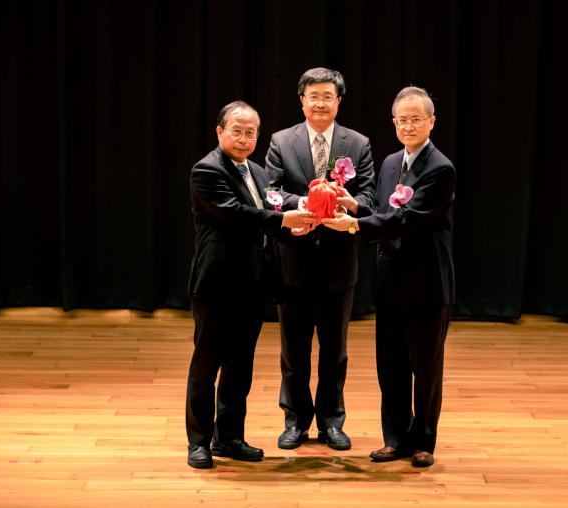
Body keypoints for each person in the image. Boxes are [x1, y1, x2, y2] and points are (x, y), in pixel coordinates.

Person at [321, 86, 455, 467]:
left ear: (431, 122)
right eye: (402, 120)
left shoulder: (440, 168)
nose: (408, 126)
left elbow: (408, 219)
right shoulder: (392, 162)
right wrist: (354, 206)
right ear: (393, 123)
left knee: (425, 369)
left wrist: (354, 226)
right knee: (391, 366)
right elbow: (383, 212)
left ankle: (423, 441)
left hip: (427, 284)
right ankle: (395, 439)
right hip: (391, 281)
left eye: (416, 119)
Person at [186, 101, 314, 469]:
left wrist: (300, 220)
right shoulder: (207, 170)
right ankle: (199, 442)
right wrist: (285, 220)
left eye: (251, 133)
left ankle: (229, 437)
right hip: (216, 283)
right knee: (206, 366)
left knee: (240, 367)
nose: (244, 139)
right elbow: (236, 214)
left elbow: (273, 209)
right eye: (237, 131)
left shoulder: (257, 171)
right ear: (220, 132)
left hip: (253, 284)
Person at [265, 67, 376, 450]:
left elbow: (370, 196)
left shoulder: (358, 143)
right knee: (293, 348)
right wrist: (306, 202)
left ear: (338, 101)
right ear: (302, 100)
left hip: (338, 260)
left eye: (328, 96)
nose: (320, 103)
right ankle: (295, 421)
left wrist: (349, 204)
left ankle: (331, 421)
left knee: (335, 349)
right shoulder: (281, 141)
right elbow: (270, 192)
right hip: (294, 258)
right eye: (313, 96)